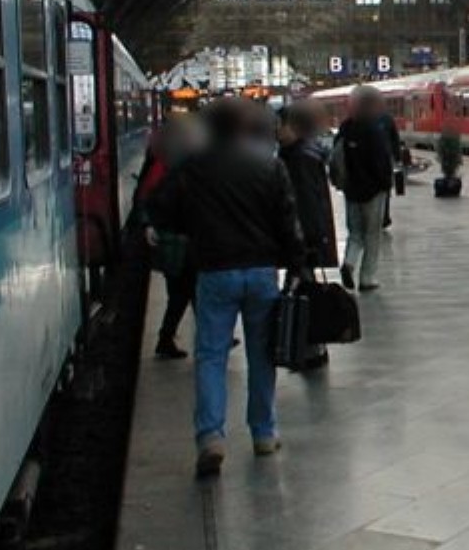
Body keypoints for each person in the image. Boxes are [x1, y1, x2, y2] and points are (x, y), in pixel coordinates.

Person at [147, 98, 305, 477]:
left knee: (211, 356)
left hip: (215, 271)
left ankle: (211, 437)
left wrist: (195, 226)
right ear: (244, 127)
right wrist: (296, 265)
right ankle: (263, 433)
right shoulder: (269, 165)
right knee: (262, 353)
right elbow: (288, 220)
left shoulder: (193, 167)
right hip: (261, 271)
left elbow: (160, 209)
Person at [135, 114, 207, 359]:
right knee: (186, 291)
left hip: (177, 242)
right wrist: (149, 224)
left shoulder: (170, 166)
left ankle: (169, 339)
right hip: (177, 243)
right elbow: (149, 200)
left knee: (184, 292)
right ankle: (171, 339)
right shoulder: (168, 169)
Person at [277, 101, 338, 370]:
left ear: (292, 127)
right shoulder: (303, 153)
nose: (275, 131)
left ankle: (311, 350)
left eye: (279, 126)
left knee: (304, 294)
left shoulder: (298, 158)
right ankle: (311, 348)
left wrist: (306, 242)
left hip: (303, 239)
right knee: (304, 291)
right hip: (306, 238)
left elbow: (305, 204)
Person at [336, 86, 393, 292]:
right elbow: (381, 163)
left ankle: (349, 262)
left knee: (355, 233)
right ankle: (367, 277)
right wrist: (386, 184)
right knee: (372, 235)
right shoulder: (374, 131)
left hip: (351, 191)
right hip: (373, 192)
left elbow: (337, 158)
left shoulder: (345, 129)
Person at [374, 93, 403, 229]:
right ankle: (384, 217)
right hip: (385, 159)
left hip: (380, 159)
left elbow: (394, 139)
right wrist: (397, 158)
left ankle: (381, 217)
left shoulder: (360, 118)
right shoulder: (387, 119)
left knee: (381, 188)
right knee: (384, 188)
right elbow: (395, 140)